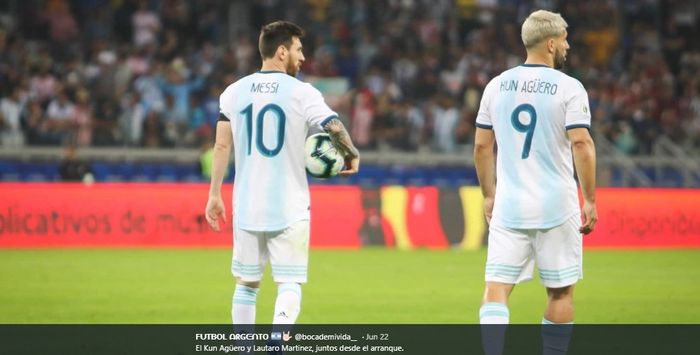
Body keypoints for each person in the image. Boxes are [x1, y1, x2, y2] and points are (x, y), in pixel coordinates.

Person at [204, 20, 360, 340]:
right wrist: (351, 152)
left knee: (246, 285)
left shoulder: (232, 93)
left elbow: (221, 145)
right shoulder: (302, 93)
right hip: (289, 206)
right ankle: (278, 344)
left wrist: (214, 194)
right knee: (288, 283)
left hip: (246, 205)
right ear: (281, 51)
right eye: (299, 50)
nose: (303, 58)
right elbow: (332, 126)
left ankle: (244, 347)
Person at [473, 10, 597, 355]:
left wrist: (488, 195)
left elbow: (482, 146)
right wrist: (589, 198)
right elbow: (582, 143)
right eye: (566, 40)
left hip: (509, 206)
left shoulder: (496, 85)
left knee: (497, 287)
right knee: (560, 292)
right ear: (552, 42)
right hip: (557, 205)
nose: (568, 46)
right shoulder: (570, 88)